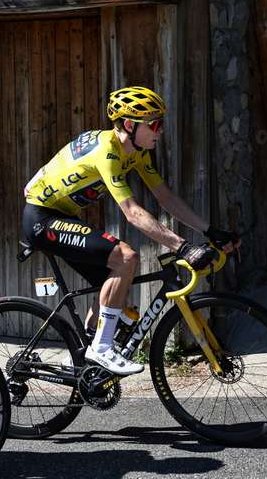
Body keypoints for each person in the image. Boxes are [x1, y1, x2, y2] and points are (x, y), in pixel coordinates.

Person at [22, 86, 241, 375]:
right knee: (126, 257)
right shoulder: (107, 152)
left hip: (61, 215)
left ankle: (82, 359)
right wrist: (183, 247)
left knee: (115, 285)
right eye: (155, 124)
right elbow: (133, 212)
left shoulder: (136, 153)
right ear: (129, 124)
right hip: (42, 219)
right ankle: (101, 349)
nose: (159, 131)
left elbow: (165, 197)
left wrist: (209, 230)